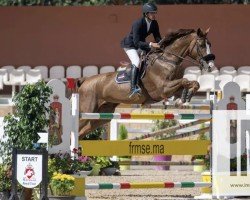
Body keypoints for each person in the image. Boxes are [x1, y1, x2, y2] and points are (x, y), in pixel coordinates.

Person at [121, 2, 162, 97]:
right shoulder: (137, 23)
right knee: (136, 61)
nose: (154, 15)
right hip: (130, 45)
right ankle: (133, 87)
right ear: (146, 14)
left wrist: (162, 44)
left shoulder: (154, 23)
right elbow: (136, 42)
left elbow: (158, 38)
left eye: (155, 13)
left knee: (150, 58)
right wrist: (151, 44)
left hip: (141, 44)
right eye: (152, 13)